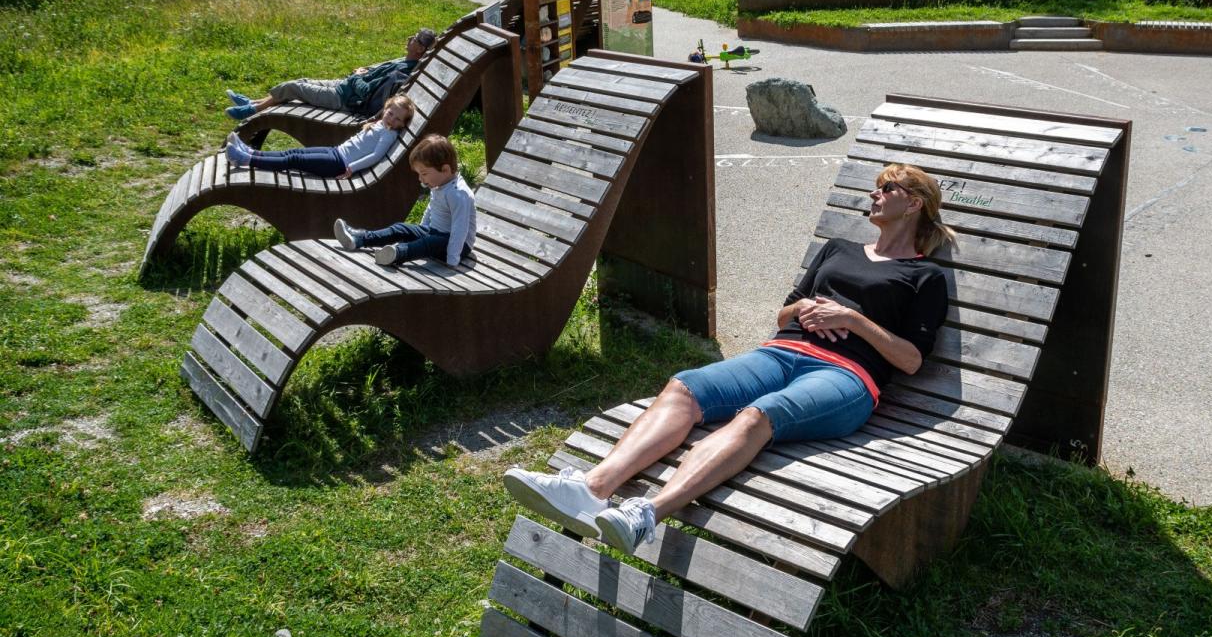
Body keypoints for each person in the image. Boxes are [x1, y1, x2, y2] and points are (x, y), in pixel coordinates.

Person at [503, 163, 955, 555]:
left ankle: (646, 515)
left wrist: (853, 320)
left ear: (914, 203)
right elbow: (783, 314)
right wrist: (803, 310)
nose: (874, 195)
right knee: (685, 385)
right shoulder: (838, 249)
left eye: (887, 188)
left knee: (759, 414)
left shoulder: (924, 276)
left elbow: (911, 359)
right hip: (781, 352)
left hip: (846, 377)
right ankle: (591, 489)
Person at [225, 28, 436, 120]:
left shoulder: (402, 72)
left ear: (419, 50)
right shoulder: (407, 60)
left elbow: (366, 92)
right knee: (302, 81)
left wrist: (357, 76)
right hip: (345, 87)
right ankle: (254, 102)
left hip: (344, 99)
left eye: (415, 38)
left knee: (293, 87)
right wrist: (363, 73)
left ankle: (251, 110)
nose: (410, 37)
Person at [333, 134, 474, 267]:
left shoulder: (458, 193)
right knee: (400, 228)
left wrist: (452, 260)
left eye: (424, 174)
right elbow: (431, 208)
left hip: (457, 246)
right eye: (419, 174)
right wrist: (421, 230)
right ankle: (358, 239)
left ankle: (398, 254)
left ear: (445, 169)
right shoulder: (440, 184)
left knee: (431, 243)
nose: (421, 179)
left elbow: (460, 229)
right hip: (435, 233)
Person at [222, 95, 413, 179]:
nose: (392, 119)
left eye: (398, 119)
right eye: (390, 113)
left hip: (339, 164)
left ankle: (246, 160)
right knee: (294, 152)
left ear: (403, 124)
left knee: (294, 160)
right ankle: (251, 152)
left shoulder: (388, 134)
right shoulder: (380, 123)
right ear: (386, 109)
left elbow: (375, 156)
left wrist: (352, 168)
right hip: (336, 153)